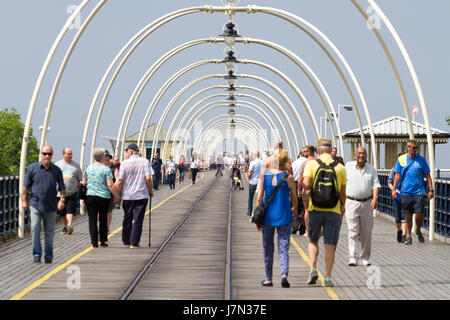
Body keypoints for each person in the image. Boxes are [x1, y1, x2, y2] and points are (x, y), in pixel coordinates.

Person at [302, 139, 346, 287]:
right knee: (330, 245)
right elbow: (342, 192)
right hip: (333, 210)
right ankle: (327, 277)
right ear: (330, 150)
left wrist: (307, 205)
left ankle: (313, 268)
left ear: (318, 151)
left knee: (313, 240)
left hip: (315, 209)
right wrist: (342, 208)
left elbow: (307, 185)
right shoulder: (340, 167)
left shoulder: (312, 164)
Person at [255, 149, 297, 288]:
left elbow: (259, 197)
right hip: (284, 215)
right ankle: (284, 274)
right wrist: (294, 209)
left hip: (268, 217)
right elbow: (295, 198)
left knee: (268, 247)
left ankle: (268, 278)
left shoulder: (264, 175)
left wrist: (257, 218)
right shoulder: (288, 177)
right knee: (283, 246)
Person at [23, 145, 66, 263]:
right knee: (35, 228)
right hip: (36, 204)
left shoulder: (56, 170)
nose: (47, 156)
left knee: (49, 232)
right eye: (45, 153)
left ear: (52, 155)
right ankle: (36, 254)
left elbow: (62, 188)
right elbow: (25, 186)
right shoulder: (32, 168)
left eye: (49, 154)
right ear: (40, 154)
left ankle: (48, 256)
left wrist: (62, 200)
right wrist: (23, 200)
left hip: (51, 205)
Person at [392, 140, 434, 245]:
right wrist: (393, 189)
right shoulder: (401, 159)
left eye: (416, 147)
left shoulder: (421, 160)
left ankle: (418, 229)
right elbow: (397, 176)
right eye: (413, 147)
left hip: (419, 191)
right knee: (408, 216)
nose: (415, 149)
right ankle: (409, 236)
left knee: (420, 213)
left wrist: (431, 190)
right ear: (408, 148)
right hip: (405, 192)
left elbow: (428, 176)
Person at [345, 146, 380, 266]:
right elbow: (342, 184)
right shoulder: (348, 167)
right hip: (351, 202)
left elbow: (376, 185)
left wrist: (375, 198)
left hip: (367, 203)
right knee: (352, 231)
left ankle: (365, 257)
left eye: (363, 154)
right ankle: (353, 257)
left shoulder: (371, 169)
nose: (361, 156)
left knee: (366, 231)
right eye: (359, 154)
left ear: (366, 156)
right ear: (355, 155)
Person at [116, 143, 154, 248]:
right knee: (138, 219)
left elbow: (120, 181)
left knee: (127, 217)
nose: (125, 154)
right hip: (142, 195)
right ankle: (134, 242)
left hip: (127, 196)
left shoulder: (124, 164)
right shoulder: (145, 162)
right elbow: (148, 179)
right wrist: (151, 191)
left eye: (126, 152)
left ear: (131, 152)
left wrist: (116, 195)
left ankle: (126, 240)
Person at [82, 148, 119, 248]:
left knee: (92, 219)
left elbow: (84, 182)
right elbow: (110, 184)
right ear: (103, 157)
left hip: (90, 196)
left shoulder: (88, 168)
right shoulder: (106, 169)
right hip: (103, 197)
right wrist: (116, 196)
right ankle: (102, 240)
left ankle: (94, 242)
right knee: (103, 219)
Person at [55, 148, 82, 235]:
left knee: (70, 209)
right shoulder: (57, 165)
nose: (70, 155)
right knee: (62, 211)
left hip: (71, 192)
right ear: (63, 154)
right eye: (68, 154)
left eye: (71, 154)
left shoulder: (76, 166)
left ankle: (69, 225)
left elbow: (80, 178)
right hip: (59, 193)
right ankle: (64, 226)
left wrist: (78, 186)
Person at [298, 145, 317, 237]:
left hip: (307, 189)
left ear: (310, 152)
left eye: (305, 151)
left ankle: (307, 231)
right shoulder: (319, 161)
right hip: (318, 189)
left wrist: (298, 189)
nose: (303, 153)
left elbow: (301, 178)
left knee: (307, 210)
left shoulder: (305, 163)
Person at [387, 153, 405, 243]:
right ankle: (399, 230)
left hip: (406, 194)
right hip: (397, 194)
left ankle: (405, 236)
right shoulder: (393, 170)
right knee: (398, 216)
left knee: (405, 215)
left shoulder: (407, 169)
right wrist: (393, 189)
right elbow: (389, 182)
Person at [291, 149, 307, 234]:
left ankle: (294, 226)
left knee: (295, 206)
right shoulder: (307, 162)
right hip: (304, 184)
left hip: (295, 184)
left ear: (299, 154)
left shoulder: (294, 163)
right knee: (304, 207)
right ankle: (302, 227)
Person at [247, 151, 263, 216]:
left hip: (253, 182)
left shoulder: (253, 163)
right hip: (260, 182)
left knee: (251, 197)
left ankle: (249, 211)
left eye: (253, 155)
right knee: (259, 198)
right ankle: (259, 212)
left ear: (255, 155)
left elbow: (250, 173)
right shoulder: (262, 162)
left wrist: (249, 179)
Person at [104, 150, 114, 234]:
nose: (108, 160)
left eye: (109, 158)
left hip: (110, 192)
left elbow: (117, 178)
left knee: (109, 211)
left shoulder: (112, 168)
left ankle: (107, 227)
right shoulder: (96, 168)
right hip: (99, 193)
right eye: (106, 158)